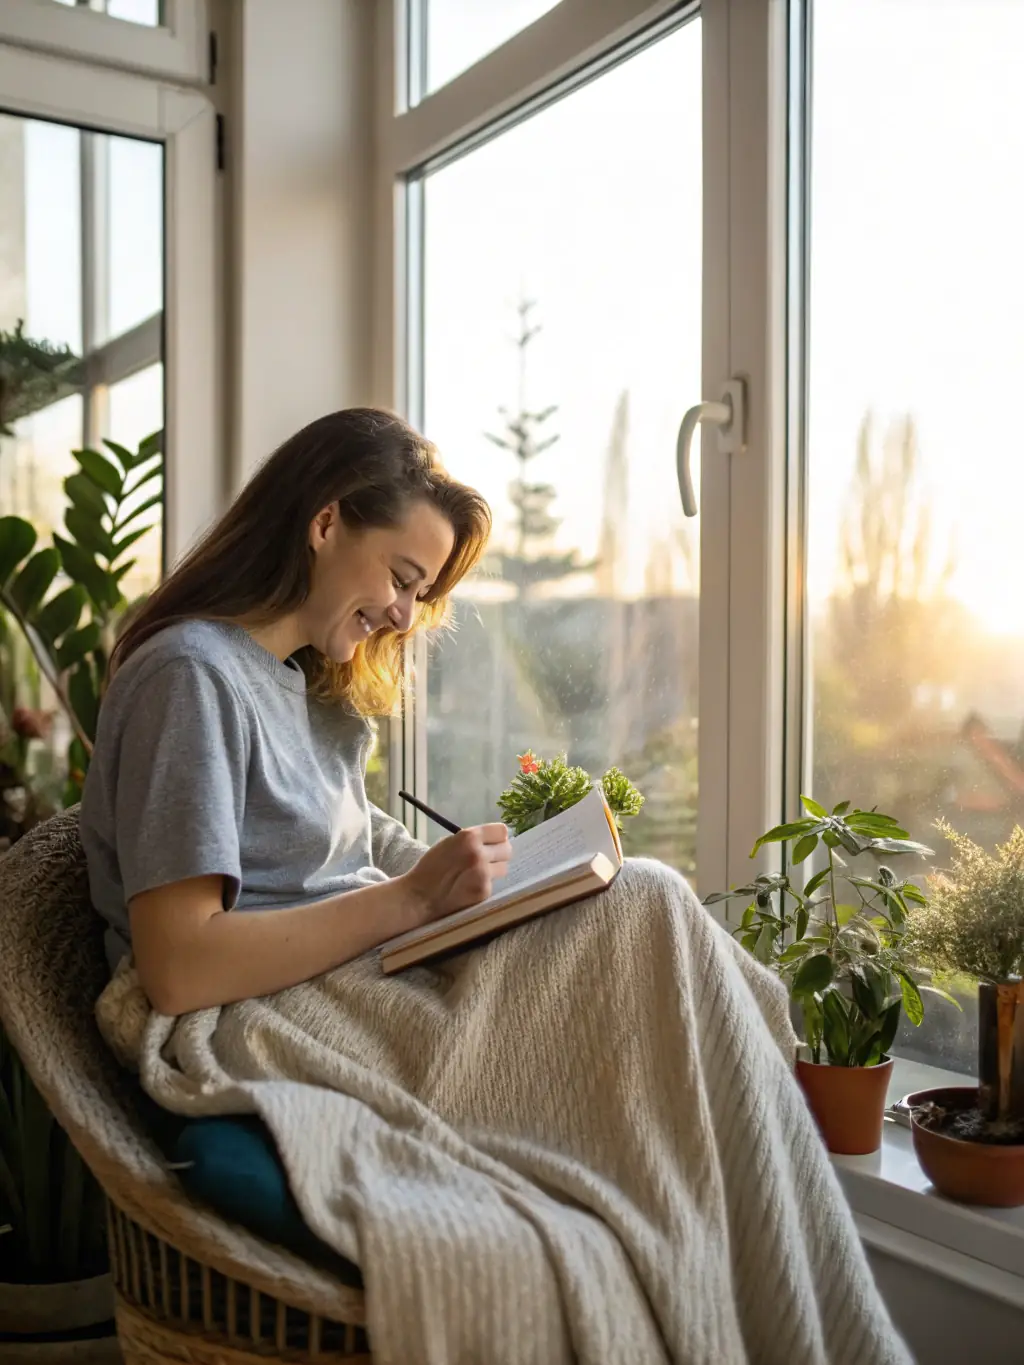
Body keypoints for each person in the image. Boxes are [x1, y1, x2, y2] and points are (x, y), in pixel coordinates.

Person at [80, 407, 512, 1013]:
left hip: (356, 980)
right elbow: (179, 969)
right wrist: (414, 899)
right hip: (270, 1014)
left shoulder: (309, 688)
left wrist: (478, 883)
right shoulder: (190, 677)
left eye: (420, 594)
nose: (404, 617)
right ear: (326, 523)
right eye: (400, 579)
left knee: (624, 903)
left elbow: (353, 851)